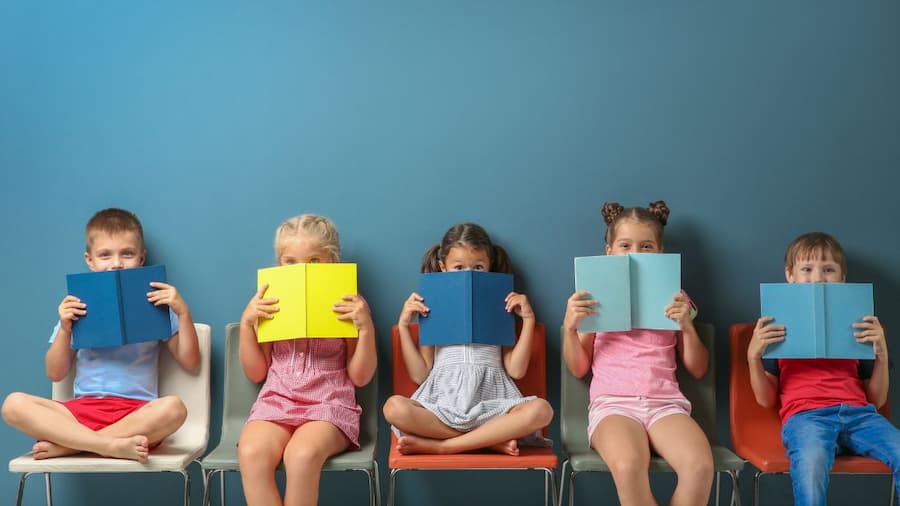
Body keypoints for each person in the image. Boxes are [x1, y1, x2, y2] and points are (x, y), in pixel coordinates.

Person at [1, 208, 200, 462]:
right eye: (105, 255)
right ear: (90, 260)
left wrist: (183, 313)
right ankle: (109, 445)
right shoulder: (77, 306)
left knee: (174, 409)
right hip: (80, 413)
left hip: (135, 415)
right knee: (13, 404)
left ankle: (74, 447)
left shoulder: (157, 305)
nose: (116, 263)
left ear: (141, 258)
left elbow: (191, 362)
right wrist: (64, 328)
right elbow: (55, 372)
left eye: (127, 254)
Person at [562, 201, 713, 506]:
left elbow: (698, 368)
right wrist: (569, 328)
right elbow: (579, 368)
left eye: (646, 246)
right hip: (613, 406)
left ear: (660, 253)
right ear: (609, 251)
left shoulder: (677, 299)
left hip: (665, 405)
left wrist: (686, 326)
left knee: (699, 467)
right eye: (625, 245)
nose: (635, 253)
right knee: (629, 466)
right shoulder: (595, 299)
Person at [748, 231, 900, 505]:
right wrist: (753, 357)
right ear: (790, 276)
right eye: (807, 269)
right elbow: (765, 399)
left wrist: (882, 354)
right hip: (807, 417)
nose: (817, 277)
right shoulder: (775, 327)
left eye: (828, 270)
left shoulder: (860, 324)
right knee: (811, 465)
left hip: (861, 416)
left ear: (842, 278)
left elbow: (877, 399)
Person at [237, 214, 376, 506]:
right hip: (277, 402)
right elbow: (256, 371)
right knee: (251, 451)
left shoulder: (348, 304)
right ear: (279, 264)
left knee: (300, 456)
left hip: (329, 406)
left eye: (314, 261)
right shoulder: (269, 301)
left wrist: (365, 328)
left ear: (332, 263)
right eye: (290, 262)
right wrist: (247, 324)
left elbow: (361, 377)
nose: (302, 269)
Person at [382, 222, 553, 456]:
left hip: (492, 403)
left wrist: (529, 319)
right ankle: (489, 441)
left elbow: (516, 370)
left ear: (490, 265)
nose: (469, 274)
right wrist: (404, 325)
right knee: (393, 408)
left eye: (479, 267)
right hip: (444, 402)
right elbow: (421, 374)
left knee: (542, 410)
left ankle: (444, 446)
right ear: (443, 267)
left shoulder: (500, 302)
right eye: (458, 267)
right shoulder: (432, 305)